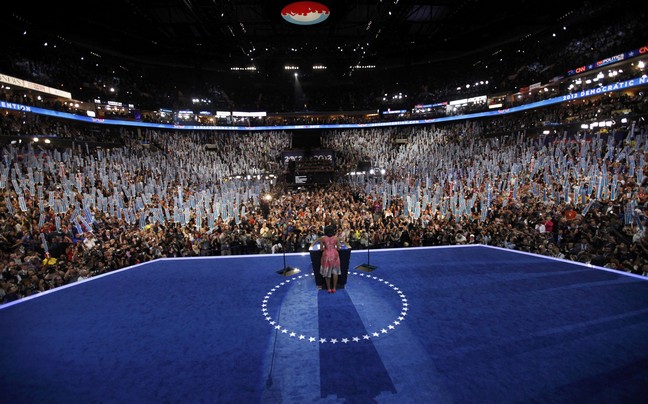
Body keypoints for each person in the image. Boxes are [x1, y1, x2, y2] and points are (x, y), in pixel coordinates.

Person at [315, 225, 341, 293]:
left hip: (326, 255)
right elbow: (338, 248)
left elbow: (321, 249)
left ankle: (329, 288)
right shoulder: (336, 238)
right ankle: (334, 288)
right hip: (335, 255)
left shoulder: (322, 239)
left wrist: (325, 248)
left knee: (327, 272)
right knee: (335, 272)